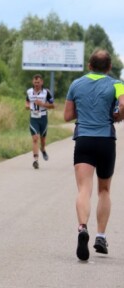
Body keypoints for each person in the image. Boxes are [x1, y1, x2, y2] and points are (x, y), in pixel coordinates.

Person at [64, 49, 124, 261]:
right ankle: (100, 236)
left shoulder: (76, 84)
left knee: (84, 189)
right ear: (109, 67)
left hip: (84, 140)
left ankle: (82, 228)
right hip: (106, 140)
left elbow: (67, 115)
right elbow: (123, 105)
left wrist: (86, 109)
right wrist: (117, 115)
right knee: (104, 190)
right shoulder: (117, 84)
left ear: (89, 65)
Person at [25, 74, 55, 169]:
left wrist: (42, 104)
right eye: (35, 82)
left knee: (42, 139)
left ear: (42, 82)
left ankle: (43, 149)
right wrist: (27, 105)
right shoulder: (29, 92)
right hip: (33, 118)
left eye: (38, 82)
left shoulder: (46, 92)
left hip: (43, 118)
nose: (36, 84)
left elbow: (53, 105)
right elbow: (27, 102)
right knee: (35, 138)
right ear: (32, 82)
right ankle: (35, 160)